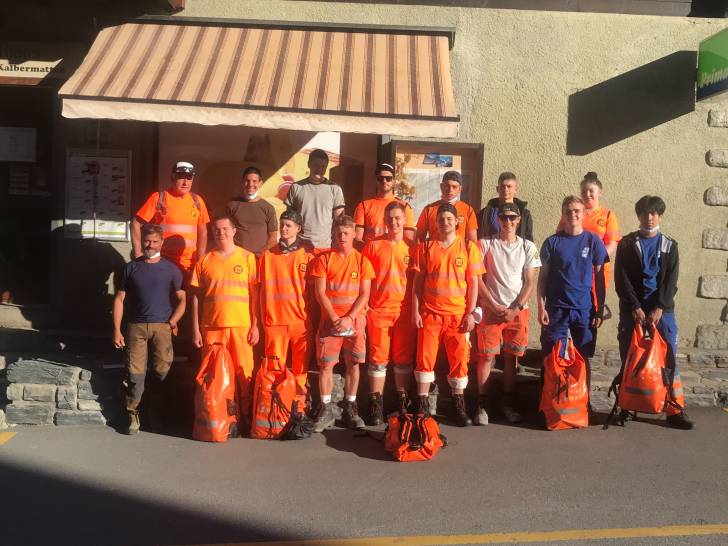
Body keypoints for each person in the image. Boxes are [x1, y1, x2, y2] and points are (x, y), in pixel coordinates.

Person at [614, 195, 693, 429]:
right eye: (645, 213)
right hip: (633, 311)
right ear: (638, 216)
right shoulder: (626, 244)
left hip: (662, 311)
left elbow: (671, 281)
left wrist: (659, 307)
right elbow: (621, 279)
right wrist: (635, 307)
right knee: (630, 359)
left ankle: (674, 409)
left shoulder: (670, 245)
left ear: (660, 216)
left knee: (669, 361)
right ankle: (626, 407)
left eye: (654, 213)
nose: (649, 217)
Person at [412, 203, 484, 426]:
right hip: (430, 314)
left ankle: (457, 405)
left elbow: (473, 284)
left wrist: (471, 314)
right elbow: (417, 283)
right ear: (436, 222)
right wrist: (415, 311)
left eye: (449, 219)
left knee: (459, 361)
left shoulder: (468, 247)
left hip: (458, 316)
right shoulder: (425, 247)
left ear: (457, 222)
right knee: (425, 359)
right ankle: (422, 405)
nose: (445, 223)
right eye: (441, 219)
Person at [112, 224, 186, 435]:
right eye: (147, 241)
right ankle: (133, 415)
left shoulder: (171, 269)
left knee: (162, 372)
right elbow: (119, 299)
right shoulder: (130, 268)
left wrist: (172, 322)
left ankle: (156, 415)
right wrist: (116, 330)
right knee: (135, 374)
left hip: (162, 328)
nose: (150, 245)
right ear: (141, 240)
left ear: (161, 243)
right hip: (135, 328)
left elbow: (182, 299)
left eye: (155, 241)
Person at [537, 196, 608, 409]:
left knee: (583, 357)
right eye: (568, 211)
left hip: (584, 310)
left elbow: (600, 278)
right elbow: (543, 278)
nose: (572, 215)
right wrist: (541, 306)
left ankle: (584, 404)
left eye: (577, 211)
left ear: (583, 214)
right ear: (563, 214)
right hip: (556, 309)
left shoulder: (593, 241)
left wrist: (600, 309)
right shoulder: (552, 242)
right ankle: (547, 404)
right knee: (551, 357)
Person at [190, 215, 259, 425]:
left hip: (241, 326)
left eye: (225, 229)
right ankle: (221, 419)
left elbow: (255, 296)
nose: (221, 233)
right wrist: (195, 328)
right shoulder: (205, 260)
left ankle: (245, 418)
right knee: (214, 377)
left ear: (234, 231)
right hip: (212, 327)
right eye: (217, 229)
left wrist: (256, 326)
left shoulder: (247, 257)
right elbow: (195, 297)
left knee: (244, 374)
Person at [475, 203, 541, 425]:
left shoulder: (528, 247)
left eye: (512, 218)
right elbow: (477, 279)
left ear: (519, 220)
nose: (508, 222)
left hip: (518, 311)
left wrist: (515, 308)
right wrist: (493, 305)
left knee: (511, 359)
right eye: (504, 218)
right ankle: (482, 405)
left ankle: (508, 405)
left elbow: (530, 282)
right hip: (491, 309)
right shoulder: (485, 244)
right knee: (486, 357)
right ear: (498, 220)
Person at [310, 215, 374, 432]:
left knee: (353, 363)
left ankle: (350, 407)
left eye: (346, 233)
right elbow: (320, 292)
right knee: (326, 365)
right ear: (333, 234)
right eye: (339, 233)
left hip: (354, 322)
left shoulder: (363, 261)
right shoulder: (324, 260)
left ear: (354, 233)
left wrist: (349, 318)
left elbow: (365, 294)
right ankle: (326, 407)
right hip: (330, 323)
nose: (342, 237)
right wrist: (335, 318)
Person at [362, 201, 416, 424]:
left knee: (403, 361)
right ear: (384, 221)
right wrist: (366, 306)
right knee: (378, 360)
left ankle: (402, 405)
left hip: (404, 312)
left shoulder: (412, 248)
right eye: (390, 218)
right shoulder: (373, 246)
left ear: (404, 220)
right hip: (379, 311)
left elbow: (417, 282)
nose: (394, 222)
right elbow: (364, 279)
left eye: (398, 218)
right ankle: (376, 405)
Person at [258, 209, 315, 409]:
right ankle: (275, 409)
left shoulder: (307, 257)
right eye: (282, 225)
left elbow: (314, 294)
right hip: (275, 322)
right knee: (274, 370)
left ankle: (299, 408)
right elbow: (259, 291)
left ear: (298, 228)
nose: (284, 228)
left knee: (301, 371)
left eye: (288, 225)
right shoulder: (267, 256)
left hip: (300, 322)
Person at [131, 161, 210, 276]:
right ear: (173, 178)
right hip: (162, 263)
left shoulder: (197, 201)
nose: (185, 183)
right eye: (181, 177)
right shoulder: (158, 198)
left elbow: (203, 232)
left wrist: (200, 259)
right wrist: (138, 253)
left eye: (189, 178)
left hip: (189, 266)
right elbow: (135, 223)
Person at [283, 149, 345, 251]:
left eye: (323, 166)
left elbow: (340, 221)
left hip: (324, 247)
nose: (319, 169)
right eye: (316, 165)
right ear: (309, 164)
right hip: (299, 247)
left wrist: (337, 245)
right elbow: (289, 218)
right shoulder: (296, 187)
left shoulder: (335, 189)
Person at [354, 163, 415, 245]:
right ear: (376, 181)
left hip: (396, 252)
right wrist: (370, 250)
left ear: (393, 181)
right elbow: (357, 239)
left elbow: (409, 240)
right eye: (380, 178)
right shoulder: (363, 206)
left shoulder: (405, 207)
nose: (384, 181)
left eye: (388, 178)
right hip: (371, 252)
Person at [226, 166, 278, 257]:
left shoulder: (268, 208)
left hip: (259, 258)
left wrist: (259, 255)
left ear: (260, 183)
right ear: (242, 182)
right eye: (247, 181)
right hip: (237, 257)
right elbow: (226, 232)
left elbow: (273, 239)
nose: (250, 184)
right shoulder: (232, 206)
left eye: (254, 181)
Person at [416, 171, 478, 243]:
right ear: (441, 186)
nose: (450, 190)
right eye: (447, 186)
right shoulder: (428, 209)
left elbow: (472, 242)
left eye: (454, 187)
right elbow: (419, 239)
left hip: (459, 250)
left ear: (460, 189)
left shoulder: (468, 210)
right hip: (435, 249)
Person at [477, 171, 534, 241]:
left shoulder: (524, 214)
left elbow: (528, 239)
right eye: (503, 186)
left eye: (509, 186)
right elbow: (479, 236)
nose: (505, 189)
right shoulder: (485, 213)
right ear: (497, 189)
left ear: (515, 189)